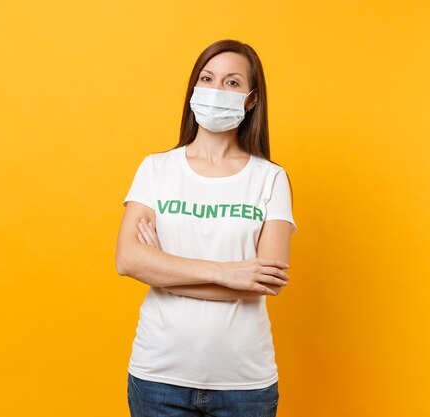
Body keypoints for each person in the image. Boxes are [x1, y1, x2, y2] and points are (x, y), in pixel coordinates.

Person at [115, 39, 297, 417]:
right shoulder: (157, 168)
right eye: (207, 78)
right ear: (193, 89)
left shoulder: (271, 179)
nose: (216, 90)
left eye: (232, 83)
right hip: (158, 377)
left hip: (244, 384)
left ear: (251, 100)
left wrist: (163, 268)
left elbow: (264, 281)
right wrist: (228, 272)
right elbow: (128, 259)